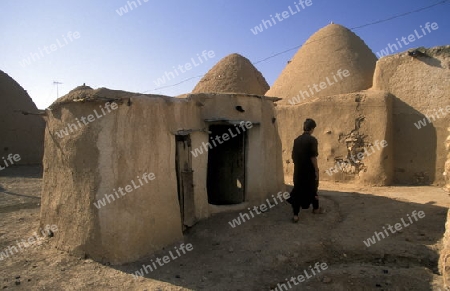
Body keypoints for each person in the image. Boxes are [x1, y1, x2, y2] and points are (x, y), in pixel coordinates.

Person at [287, 118, 322, 223]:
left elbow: (293, 156)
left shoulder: (296, 140)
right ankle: (316, 209)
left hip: (298, 171)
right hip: (309, 171)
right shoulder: (312, 140)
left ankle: (295, 215)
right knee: (313, 188)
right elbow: (313, 157)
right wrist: (316, 169)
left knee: (298, 190)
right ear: (312, 128)